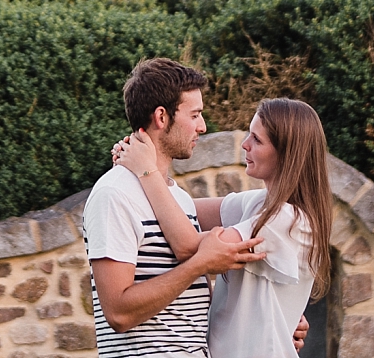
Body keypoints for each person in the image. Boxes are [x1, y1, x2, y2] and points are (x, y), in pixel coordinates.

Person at [113, 97, 333, 358]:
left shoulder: (288, 220)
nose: (245, 145)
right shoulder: (258, 205)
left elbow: (190, 247)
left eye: (257, 140)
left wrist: (146, 171)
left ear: (287, 154)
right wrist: (133, 173)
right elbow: (183, 210)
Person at [83, 57, 266, 357]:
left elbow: (190, 312)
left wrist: (271, 322)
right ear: (161, 117)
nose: (203, 127)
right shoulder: (114, 194)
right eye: (194, 115)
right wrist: (199, 265)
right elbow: (118, 313)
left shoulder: (176, 198)